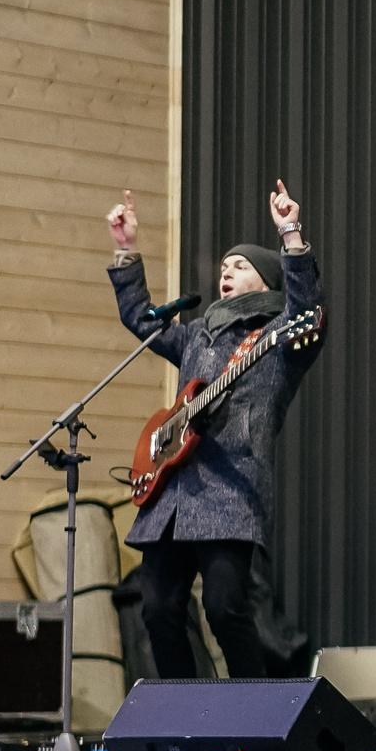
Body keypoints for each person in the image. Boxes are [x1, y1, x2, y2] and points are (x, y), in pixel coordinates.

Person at [105, 182, 326, 680]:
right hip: (171, 494)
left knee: (225, 608)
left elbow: (309, 311)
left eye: (240, 265)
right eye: (224, 265)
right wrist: (126, 249)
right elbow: (140, 319)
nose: (226, 269)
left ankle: (251, 717)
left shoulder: (278, 339)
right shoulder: (195, 337)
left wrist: (290, 232)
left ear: (268, 283)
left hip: (228, 491)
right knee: (158, 610)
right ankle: (185, 722)